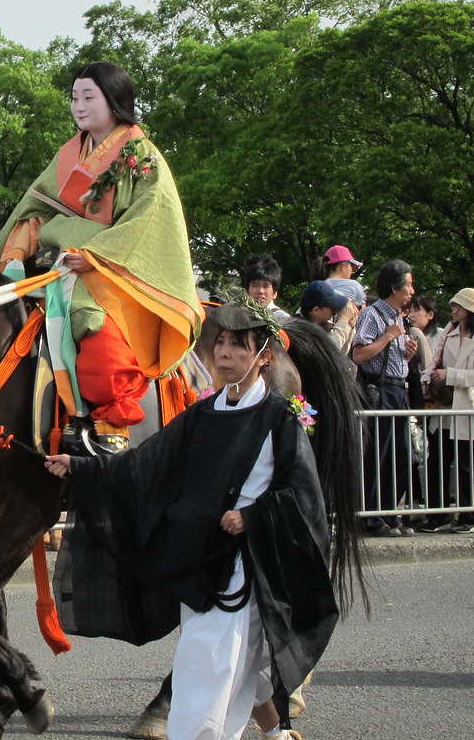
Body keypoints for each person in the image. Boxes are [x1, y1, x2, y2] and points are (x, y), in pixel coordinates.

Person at [46, 299, 338, 740]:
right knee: (237, 663)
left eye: (238, 346)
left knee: (206, 667)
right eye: (220, 343)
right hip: (201, 561)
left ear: (264, 357)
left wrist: (253, 516)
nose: (223, 353)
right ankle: (278, 735)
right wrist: (82, 467)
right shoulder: (203, 414)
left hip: (246, 565)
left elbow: (304, 498)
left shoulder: (279, 419)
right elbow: (145, 464)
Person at [0, 62, 201, 450]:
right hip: (54, 263)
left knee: (97, 329)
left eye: (89, 97)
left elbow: (150, 222)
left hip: (111, 270)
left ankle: (110, 424)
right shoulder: (67, 154)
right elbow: (35, 209)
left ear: (114, 101)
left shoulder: (142, 154)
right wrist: (21, 250)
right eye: (74, 97)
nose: (79, 106)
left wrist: (96, 255)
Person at [418, 288, 474, 533]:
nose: (453, 308)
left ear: (470, 308)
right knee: (437, 462)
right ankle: (437, 515)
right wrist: (425, 379)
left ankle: (468, 517)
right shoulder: (450, 331)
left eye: (458, 305)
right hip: (444, 406)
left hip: (469, 406)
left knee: (467, 464)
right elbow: (434, 361)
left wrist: (449, 375)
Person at [352, 259, 418, 536]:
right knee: (379, 454)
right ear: (394, 287)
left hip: (399, 390)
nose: (413, 291)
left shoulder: (397, 318)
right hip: (381, 392)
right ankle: (373, 516)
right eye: (409, 284)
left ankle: (391, 513)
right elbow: (359, 354)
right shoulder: (373, 315)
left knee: (402, 454)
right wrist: (388, 338)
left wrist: (408, 353)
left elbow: (391, 355)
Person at [297, 280, 350, 354]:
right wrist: (343, 321)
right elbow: (330, 355)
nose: (335, 311)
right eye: (332, 307)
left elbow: (340, 359)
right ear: (316, 310)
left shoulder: (322, 327)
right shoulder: (301, 333)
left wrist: (349, 325)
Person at [243, 254, 289, 321]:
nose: (260, 291)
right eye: (255, 285)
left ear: (275, 293)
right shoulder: (239, 316)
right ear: (247, 291)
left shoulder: (283, 318)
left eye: (266, 286)